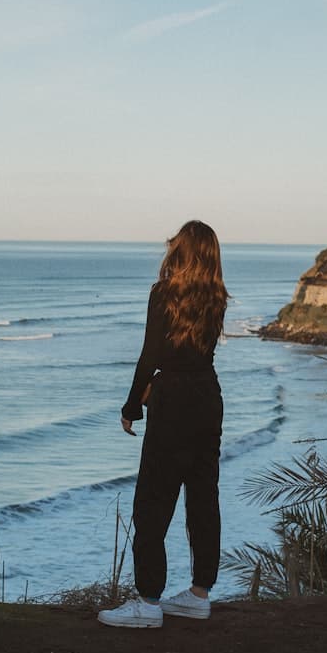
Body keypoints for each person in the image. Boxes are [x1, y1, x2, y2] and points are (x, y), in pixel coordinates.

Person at [98, 220, 229, 629]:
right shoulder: (217, 297)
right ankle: (199, 593)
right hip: (207, 399)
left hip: (171, 402)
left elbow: (150, 355)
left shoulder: (163, 294)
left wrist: (132, 405)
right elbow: (195, 355)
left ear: (182, 251)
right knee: (203, 498)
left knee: (152, 503)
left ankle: (149, 602)